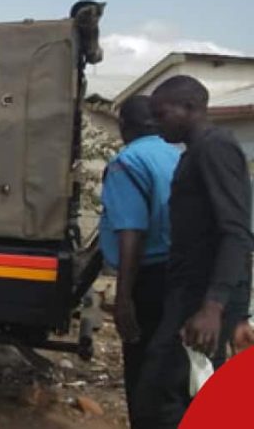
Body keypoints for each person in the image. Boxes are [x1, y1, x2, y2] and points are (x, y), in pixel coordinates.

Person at [135, 75, 253, 428]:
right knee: (178, 393)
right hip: (193, 295)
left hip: (200, 300)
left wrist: (215, 308)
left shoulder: (215, 148)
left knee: (159, 397)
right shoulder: (194, 153)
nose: (156, 125)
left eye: (161, 115)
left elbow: (235, 232)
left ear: (189, 108)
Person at [98, 95, 180, 427]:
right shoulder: (175, 156)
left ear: (124, 127)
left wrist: (123, 298)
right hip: (179, 277)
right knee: (170, 374)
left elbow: (131, 232)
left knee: (143, 374)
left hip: (148, 280)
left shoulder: (127, 162)